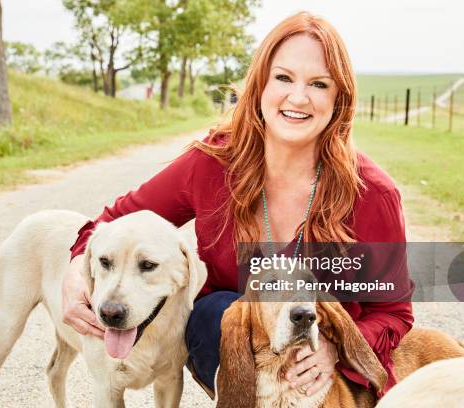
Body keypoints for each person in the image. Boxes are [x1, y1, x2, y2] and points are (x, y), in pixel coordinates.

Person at [62, 11, 413, 399]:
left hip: (323, 373)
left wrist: (335, 350)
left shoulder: (372, 193)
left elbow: (393, 312)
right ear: (260, 84)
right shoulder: (212, 163)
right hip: (242, 361)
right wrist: (77, 270)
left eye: (318, 84)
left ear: (338, 99)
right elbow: (114, 221)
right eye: (283, 78)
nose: (298, 97)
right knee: (219, 312)